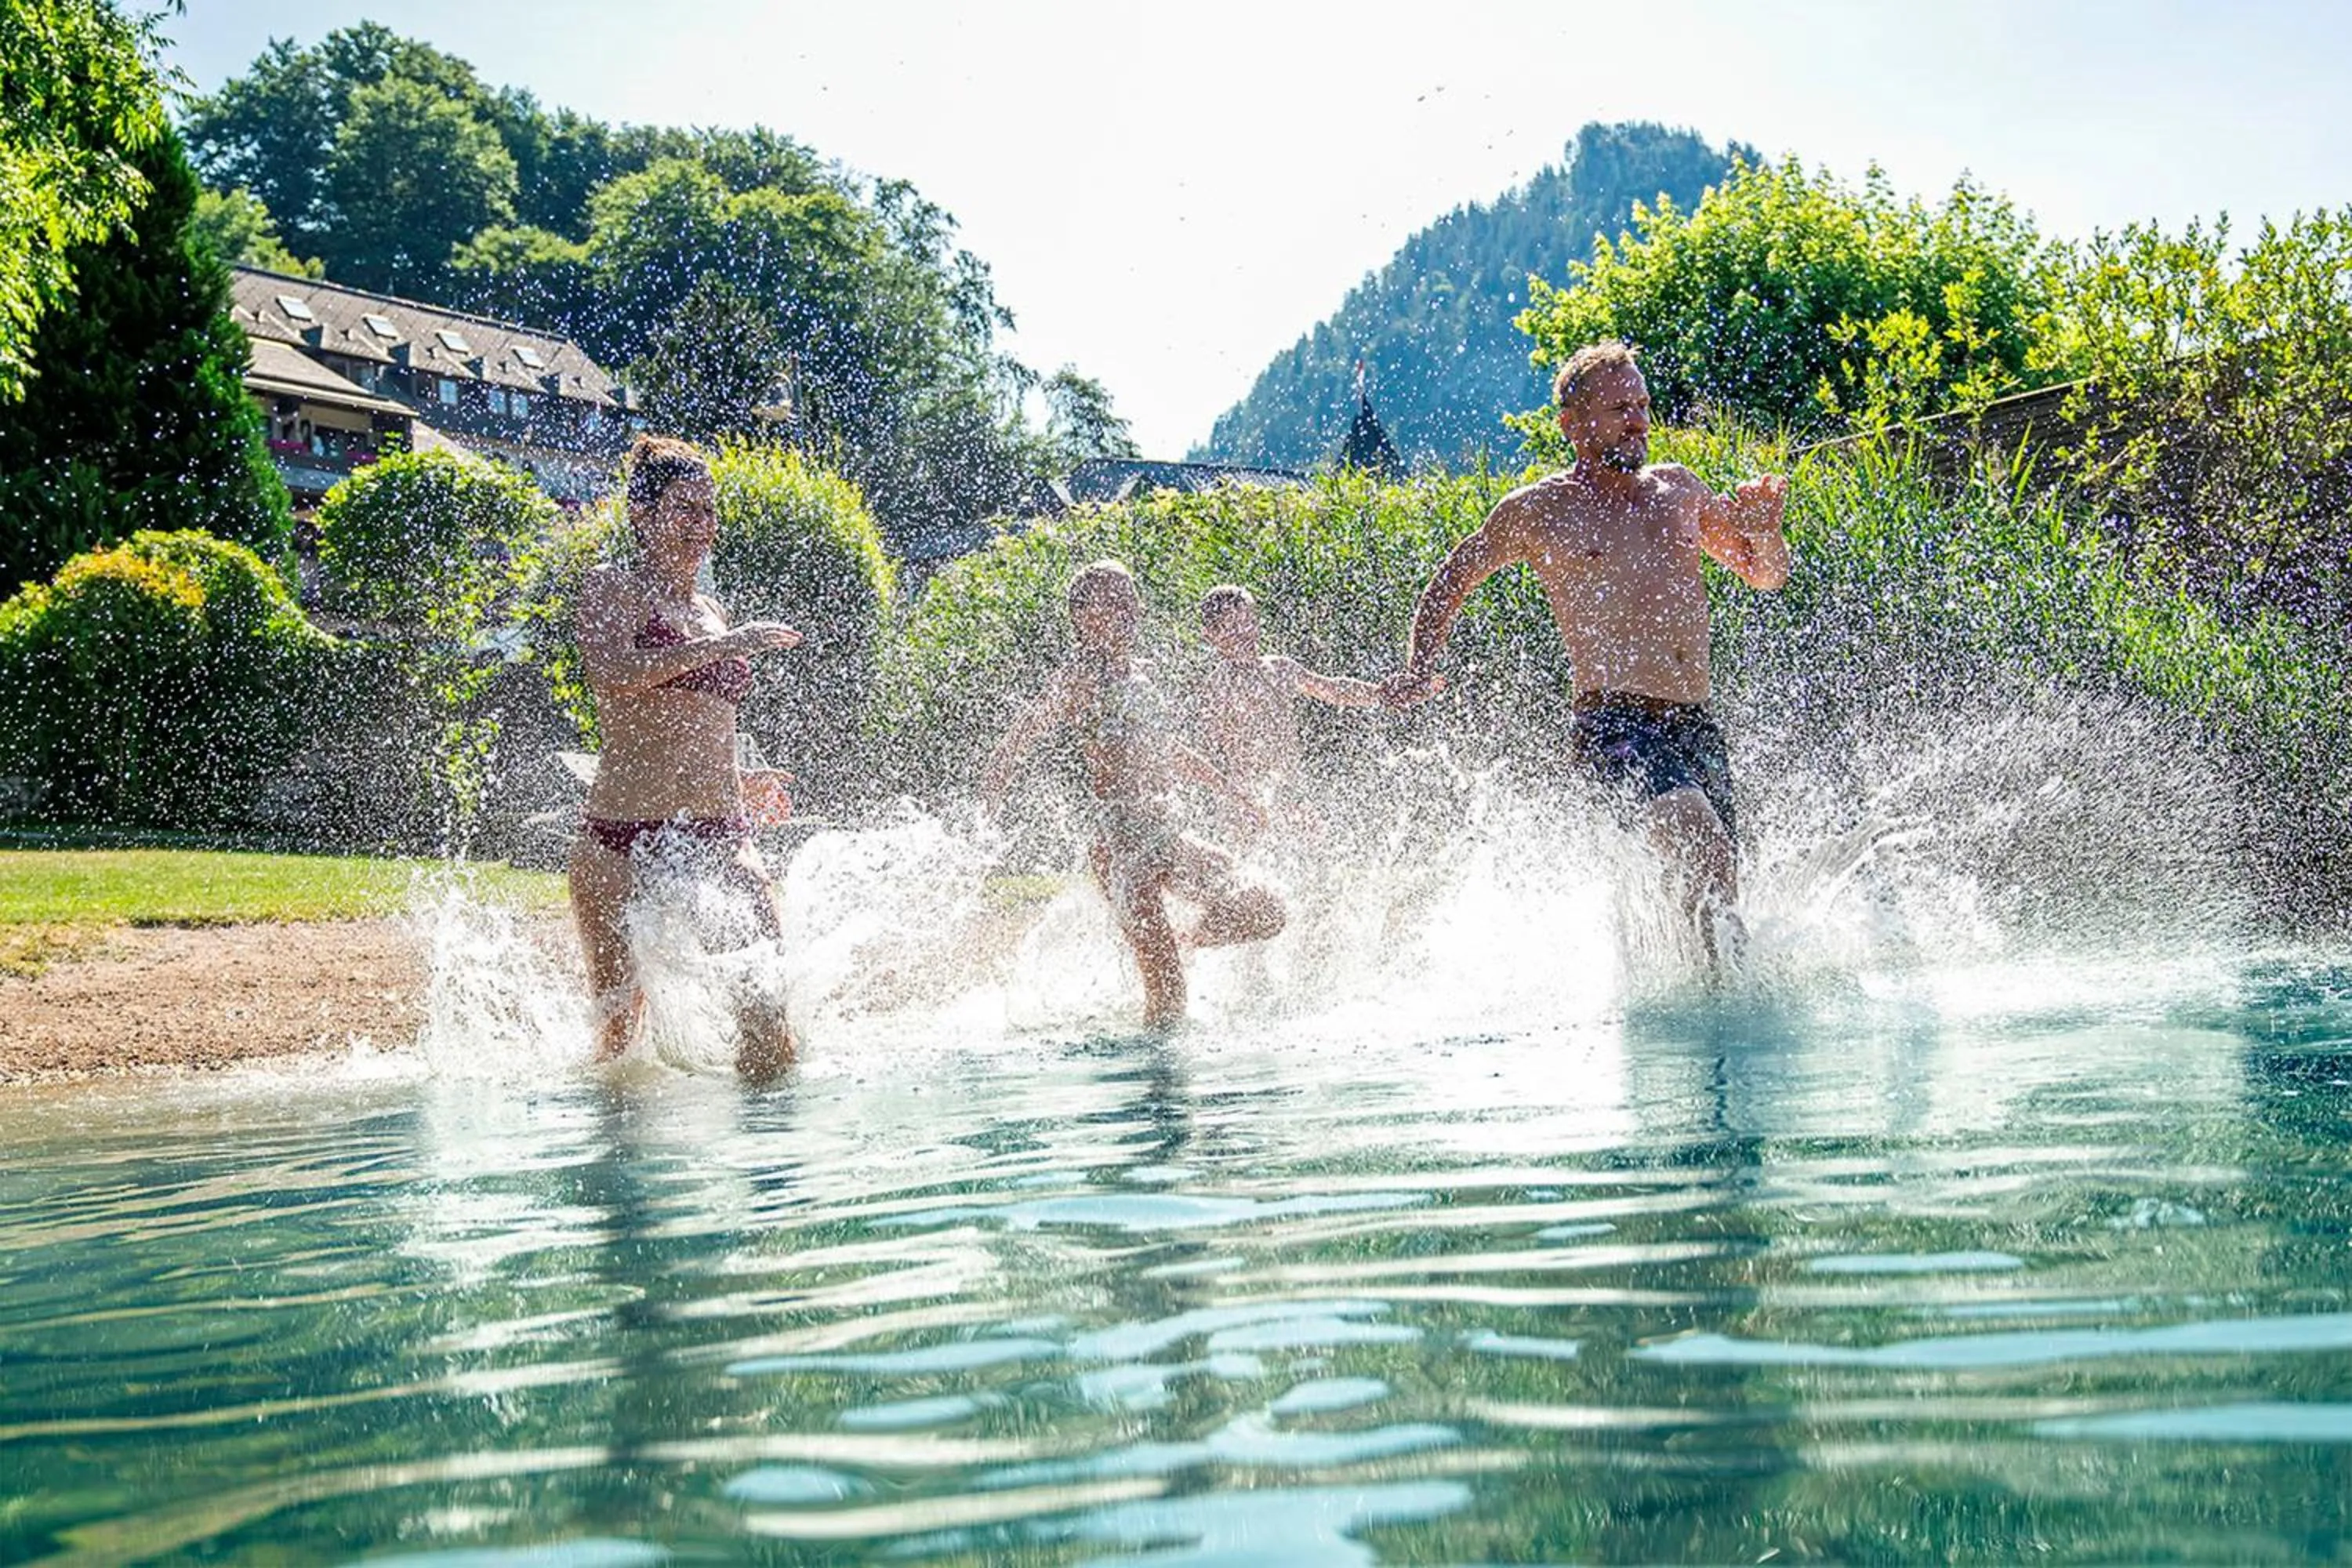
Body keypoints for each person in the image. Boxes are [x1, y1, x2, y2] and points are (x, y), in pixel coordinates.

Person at [1381, 341, 1789, 961]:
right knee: (1704, 852)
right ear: (1573, 424)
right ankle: (1734, 997)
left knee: (1716, 887)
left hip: (1695, 723)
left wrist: (1766, 531)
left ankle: (1708, 1000)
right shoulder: (1539, 511)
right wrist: (1419, 667)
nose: (1638, 420)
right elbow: (1452, 579)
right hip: (1614, 725)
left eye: (1643, 405)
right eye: (1620, 408)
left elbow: (1765, 574)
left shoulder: (1678, 489)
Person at [569, 435, 803, 1078]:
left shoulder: (710, 611)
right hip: (619, 839)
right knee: (620, 1042)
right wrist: (727, 645)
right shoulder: (611, 586)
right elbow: (614, 675)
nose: (703, 525)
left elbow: (699, 718)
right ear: (642, 515)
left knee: (767, 1015)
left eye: (709, 511)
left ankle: (771, 1137)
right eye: (685, 509)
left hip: (719, 831)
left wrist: (739, 776)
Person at [982, 561, 1286, 1028]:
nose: (1129, 609)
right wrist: (993, 788)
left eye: (1131, 599)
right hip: (1121, 845)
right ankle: (1152, 1045)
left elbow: (1165, 748)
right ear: (1083, 617)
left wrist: (1234, 792)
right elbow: (1031, 724)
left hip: (1166, 832)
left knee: (1266, 907)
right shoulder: (1082, 672)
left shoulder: (1137, 676)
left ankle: (1181, 940)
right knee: (1169, 1003)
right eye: (1114, 601)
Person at [1190, 583, 1384, 827]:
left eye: (1248, 622)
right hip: (1249, 795)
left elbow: (1332, 689)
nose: (1244, 633)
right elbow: (1209, 747)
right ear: (1211, 635)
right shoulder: (1219, 685)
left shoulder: (1279, 669)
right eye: (1232, 626)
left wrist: (1381, 694)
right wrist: (1238, 798)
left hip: (1289, 788)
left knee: (1313, 838)